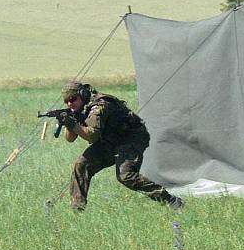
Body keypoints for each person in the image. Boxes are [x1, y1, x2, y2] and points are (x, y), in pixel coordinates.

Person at [57, 81, 183, 211]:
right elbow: (70, 139)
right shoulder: (78, 109)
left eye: (72, 99)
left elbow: (92, 136)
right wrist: (69, 123)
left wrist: (73, 125)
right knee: (81, 164)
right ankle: (77, 209)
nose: (70, 104)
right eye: (66, 101)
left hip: (131, 138)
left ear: (82, 95)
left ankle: (171, 200)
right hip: (111, 140)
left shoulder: (100, 105)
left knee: (125, 175)